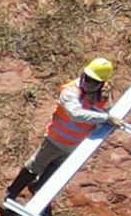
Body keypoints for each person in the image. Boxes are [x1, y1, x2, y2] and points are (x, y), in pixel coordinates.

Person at [7, 59, 116, 207]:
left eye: (94, 81)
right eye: (87, 78)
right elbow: (75, 114)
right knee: (35, 167)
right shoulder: (70, 91)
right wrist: (106, 118)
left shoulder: (103, 95)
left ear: (102, 84)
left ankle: (37, 192)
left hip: (75, 146)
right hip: (55, 141)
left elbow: (107, 112)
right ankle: (11, 195)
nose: (88, 83)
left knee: (54, 172)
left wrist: (106, 108)